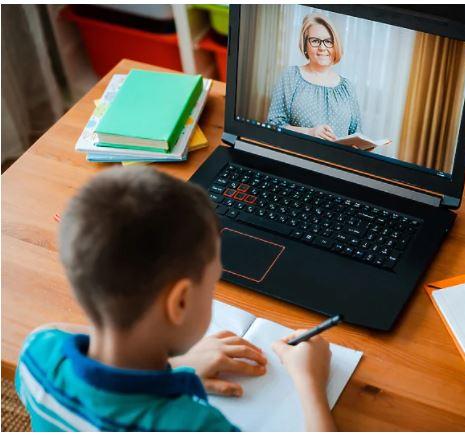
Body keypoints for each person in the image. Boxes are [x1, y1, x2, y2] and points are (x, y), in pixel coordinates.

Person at [14, 166, 335, 431]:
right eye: (212, 285)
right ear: (179, 302)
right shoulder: (195, 425)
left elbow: (57, 329)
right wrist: (310, 382)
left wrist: (176, 366)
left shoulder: (37, 354)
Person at [267, 13, 362, 142]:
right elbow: (273, 125)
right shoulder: (291, 76)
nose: (322, 47)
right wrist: (309, 132)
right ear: (305, 45)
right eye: (315, 41)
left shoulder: (348, 87)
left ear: (335, 45)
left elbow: (356, 134)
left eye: (328, 41)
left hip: (334, 161)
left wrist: (365, 146)